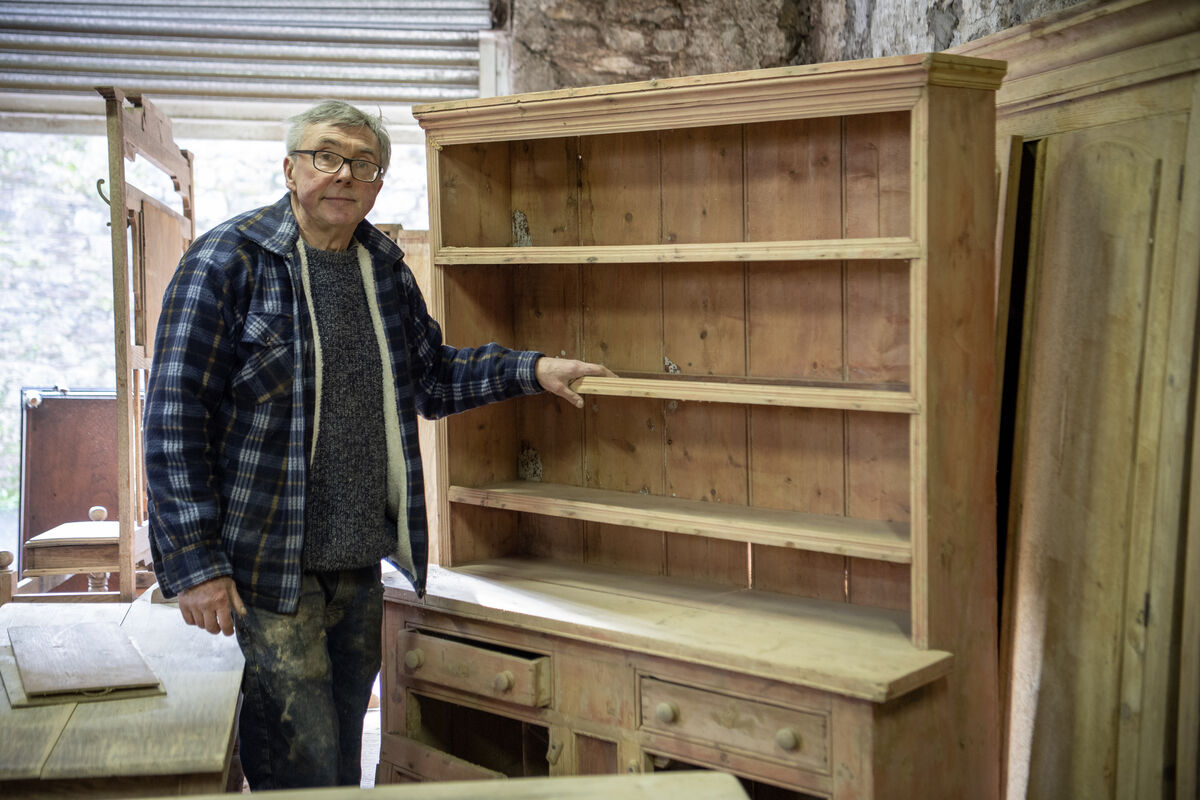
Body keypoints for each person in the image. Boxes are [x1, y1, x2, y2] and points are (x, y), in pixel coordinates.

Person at [143, 99, 614, 790]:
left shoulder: (383, 269)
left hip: (359, 566)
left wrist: (532, 369)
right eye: (327, 156)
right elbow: (173, 417)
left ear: (378, 183)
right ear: (290, 167)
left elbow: (431, 376)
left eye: (364, 164)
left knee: (340, 758)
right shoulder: (227, 260)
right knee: (296, 762)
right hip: (269, 568)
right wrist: (194, 563)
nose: (345, 174)